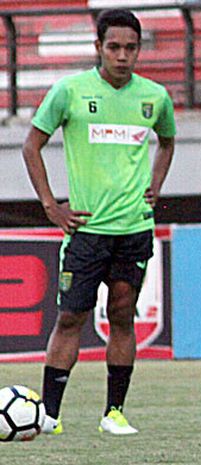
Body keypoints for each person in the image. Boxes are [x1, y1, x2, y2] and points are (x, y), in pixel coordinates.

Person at [22, 9, 176, 436]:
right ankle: (49, 415)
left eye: (131, 48)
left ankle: (114, 413)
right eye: (114, 47)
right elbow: (32, 145)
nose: (122, 56)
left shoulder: (155, 97)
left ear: (139, 49)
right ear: (98, 48)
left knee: (122, 315)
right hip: (87, 230)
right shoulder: (70, 91)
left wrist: (156, 184)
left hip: (134, 229)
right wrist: (51, 205)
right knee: (71, 318)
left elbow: (167, 141)